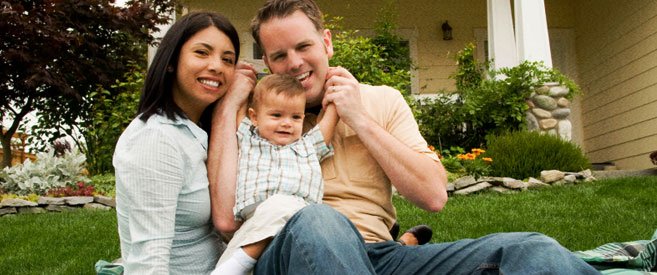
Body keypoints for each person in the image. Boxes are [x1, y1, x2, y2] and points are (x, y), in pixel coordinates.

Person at [210, 0, 600, 274]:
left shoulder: (381, 100)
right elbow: (226, 218)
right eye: (278, 56)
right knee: (319, 220)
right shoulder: (257, 119)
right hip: (290, 253)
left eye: (304, 46)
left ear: (326, 41)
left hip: (383, 258)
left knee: (531, 251)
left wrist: (360, 118)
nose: (293, 63)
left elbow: (433, 196)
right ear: (267, 62)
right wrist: (229, 108)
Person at [113, 11, 256, 274]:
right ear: (171, 61)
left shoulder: (195, 132)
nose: (216, 66)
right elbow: (149, 262)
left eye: (228, 59)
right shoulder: (155, 138)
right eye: (202, 53)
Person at [211, 74, 338, 275]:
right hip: (256, 217)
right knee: (229, 258)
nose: (287, 123)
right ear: (254, 117)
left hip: (294, 215)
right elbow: (238, 109)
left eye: (295, 117)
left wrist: (334, 92)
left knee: (280, 205)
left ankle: (242, 261)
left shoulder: (307, 146)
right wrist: (245, 81)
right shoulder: (248, 138)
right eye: (276, 115)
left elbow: (328, 124)